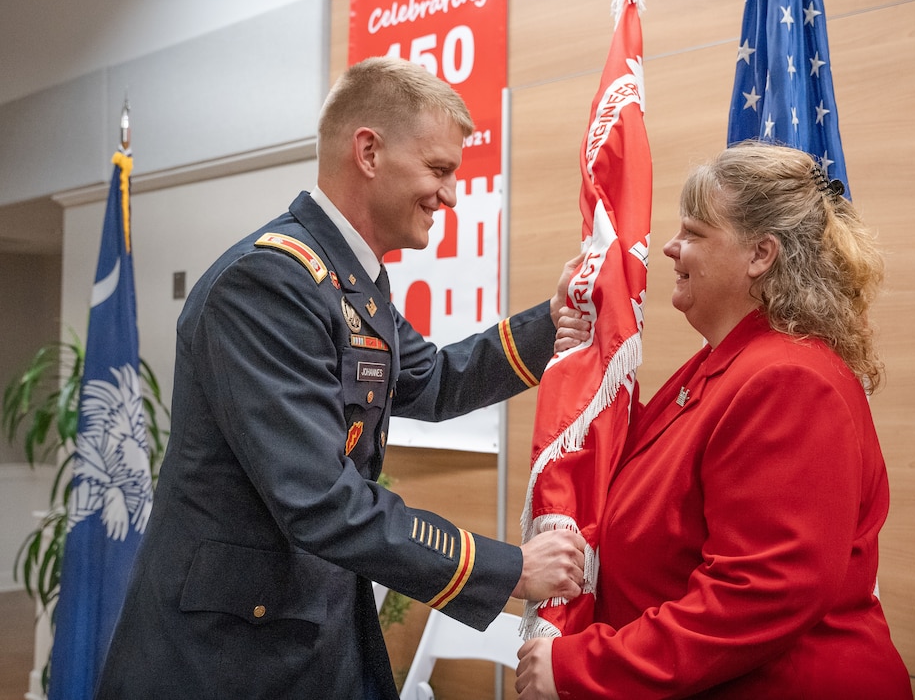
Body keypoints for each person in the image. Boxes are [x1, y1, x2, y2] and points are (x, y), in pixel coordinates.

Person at [95, 57, 585, 700]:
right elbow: (320, 497)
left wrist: (549, 323)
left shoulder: (348, 280)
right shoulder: (268, 283)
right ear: (369, 152)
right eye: (438, 170)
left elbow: (432, 380)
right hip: (230, 658)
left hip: (307, 626)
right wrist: (508, 569)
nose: (450, 195)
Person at [516, 141, 913, 699]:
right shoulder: (721, 365)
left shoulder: (790, 381)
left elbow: (758, 593)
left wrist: (586, 667)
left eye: (695, 233)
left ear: (760, 254)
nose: (672, 249)